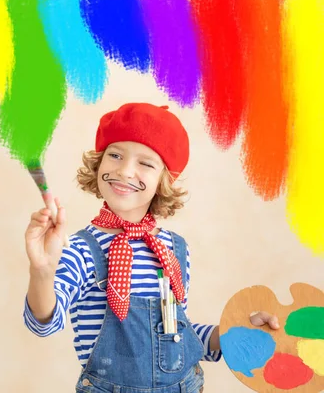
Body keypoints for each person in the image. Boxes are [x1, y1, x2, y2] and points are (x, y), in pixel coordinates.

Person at [23, 103, 279, 392]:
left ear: (164, 181)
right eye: (115, 155)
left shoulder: (174, 249)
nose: (125, 171)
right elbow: (44, 323)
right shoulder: (81, 249)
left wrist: (233, 335)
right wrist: (42, 271)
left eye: (145, 163)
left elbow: (174, 337)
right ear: (98, 163)